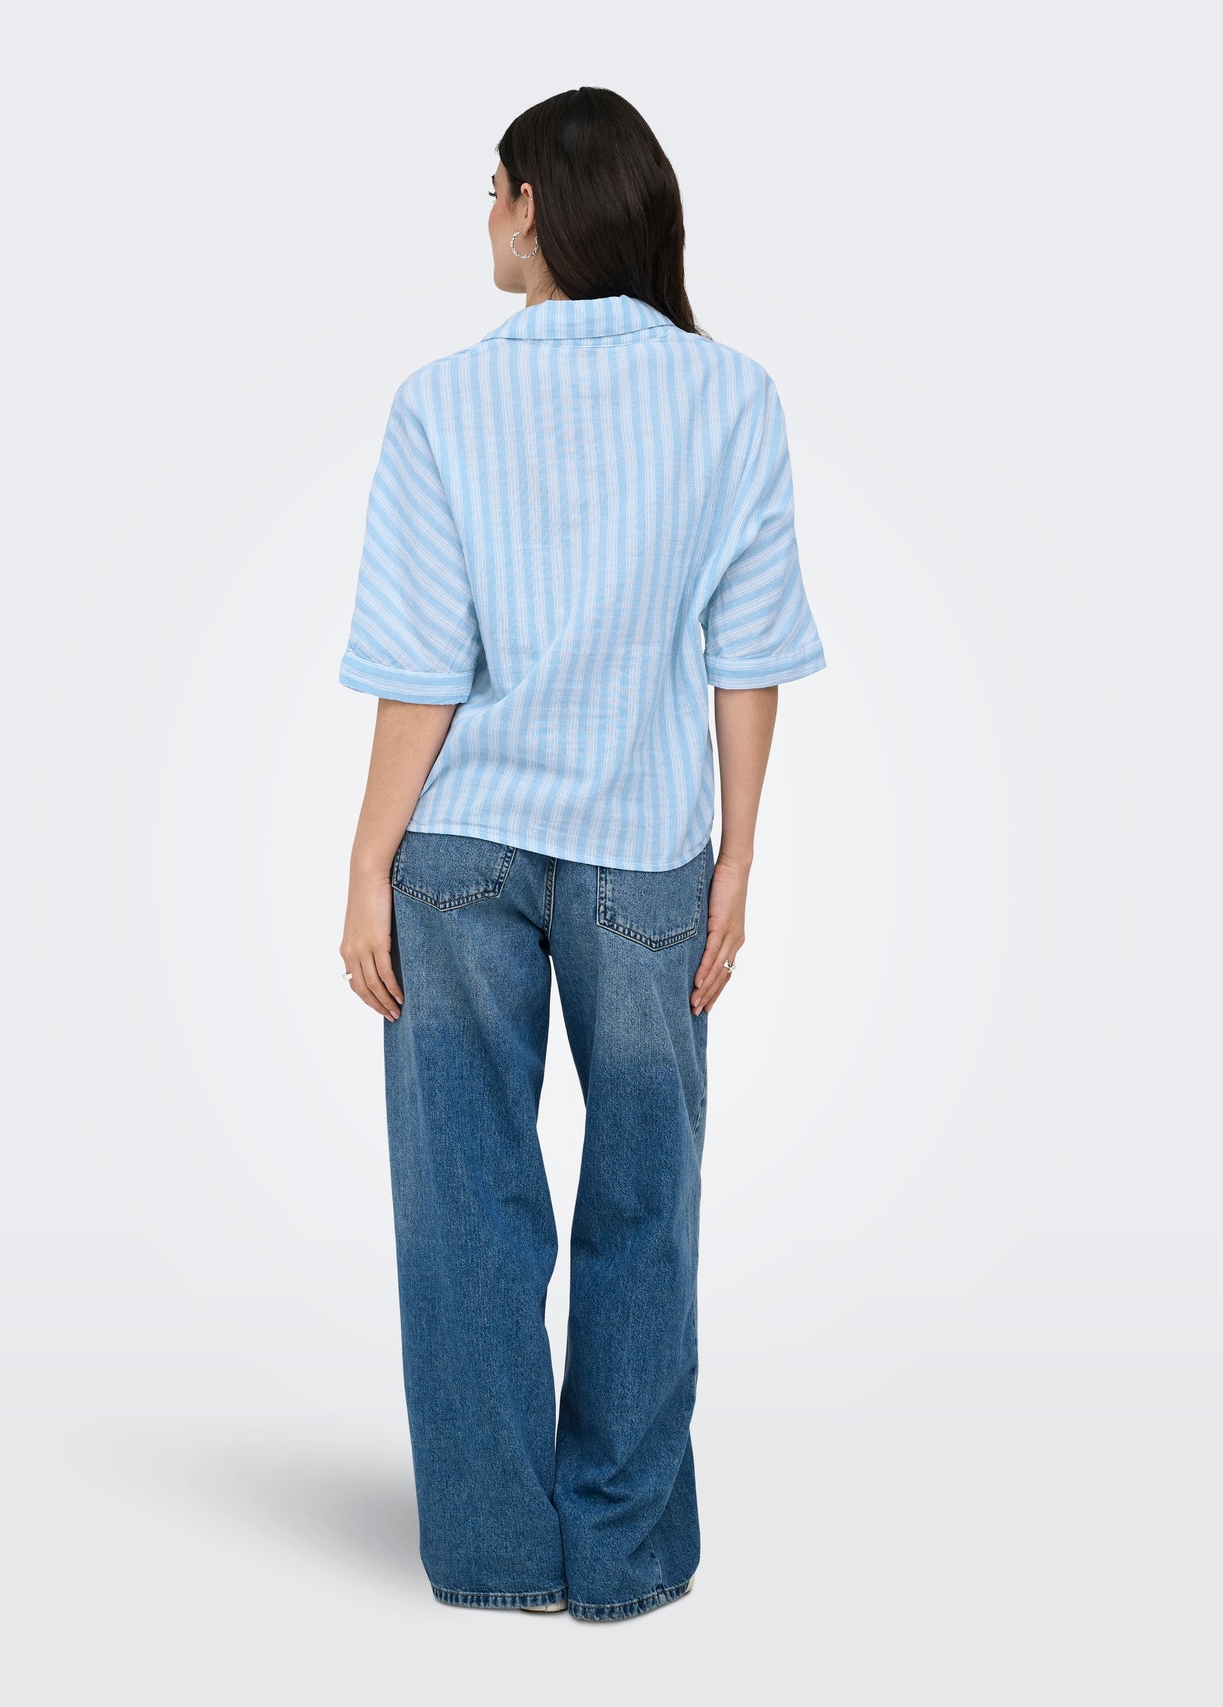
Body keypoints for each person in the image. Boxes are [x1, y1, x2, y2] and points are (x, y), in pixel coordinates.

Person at [337, 86, 826, 1623]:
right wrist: (738, 859)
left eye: (494, 188)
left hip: (459, 853)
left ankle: (496, 1554)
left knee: (463, 1209)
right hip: (648, 857)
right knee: (646, 1203)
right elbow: (749, 653)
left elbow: (423, 669)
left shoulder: (441, 400)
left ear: (538, 202)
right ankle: (618, 1554)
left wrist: (366, 865)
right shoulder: (732, 395)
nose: (486, 217)